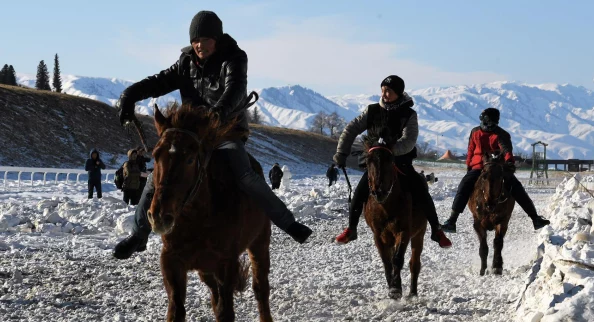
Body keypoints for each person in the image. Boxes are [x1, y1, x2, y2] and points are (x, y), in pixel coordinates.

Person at [113, 10, 312, 259]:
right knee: (158, 177)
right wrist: (129, 95)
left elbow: (236, 89)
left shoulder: (234, 58)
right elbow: (159, 81)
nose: (198, 44)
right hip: (192, 135)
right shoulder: (185, 62)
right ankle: (138, 235)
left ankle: (288, 223)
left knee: (245, 175)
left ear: (216, 39)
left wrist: (218, 114)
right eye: (195, 39)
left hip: (225, 130)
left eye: (204, 39)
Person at [332, 75, 452, 248]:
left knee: (420, 189)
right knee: (359, 192)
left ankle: (436, 230)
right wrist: (341, 152)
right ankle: (351, 229)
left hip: (400, 164)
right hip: (375, 163)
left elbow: (409, 140)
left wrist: (389, 150)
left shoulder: (409, 115)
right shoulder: (371, 111)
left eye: (388, 91)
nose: (384, 94)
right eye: (382, 90)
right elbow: (351, 129)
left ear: (398, 93)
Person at [441, 108, 550, 232]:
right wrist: (469, 166)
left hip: (497, 167)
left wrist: (509, 162)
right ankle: (452, 220)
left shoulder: (501, 134)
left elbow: (506, 150)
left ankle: (535, 218)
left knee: (516, 187)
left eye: (491, 123)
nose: (488, 125)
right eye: (486, 122)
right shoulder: (474, 132)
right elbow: (471, 149)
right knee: (464, 186)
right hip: (478, 167)